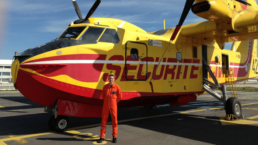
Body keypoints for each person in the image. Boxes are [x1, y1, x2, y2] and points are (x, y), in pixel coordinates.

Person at [98, 72, 122, 143]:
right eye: (110, 78)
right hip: (105, 105)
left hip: (113, 105)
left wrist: (114, 102)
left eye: (112, 78)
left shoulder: (117, 87)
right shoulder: (105, 87)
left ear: (114, 79)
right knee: (103, 120)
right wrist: (107, 102)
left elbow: (120, 97)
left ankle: (114, 136)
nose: (111, 79)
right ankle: (102, 136)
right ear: (108, 79)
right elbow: (103, 96)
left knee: (114, 120)